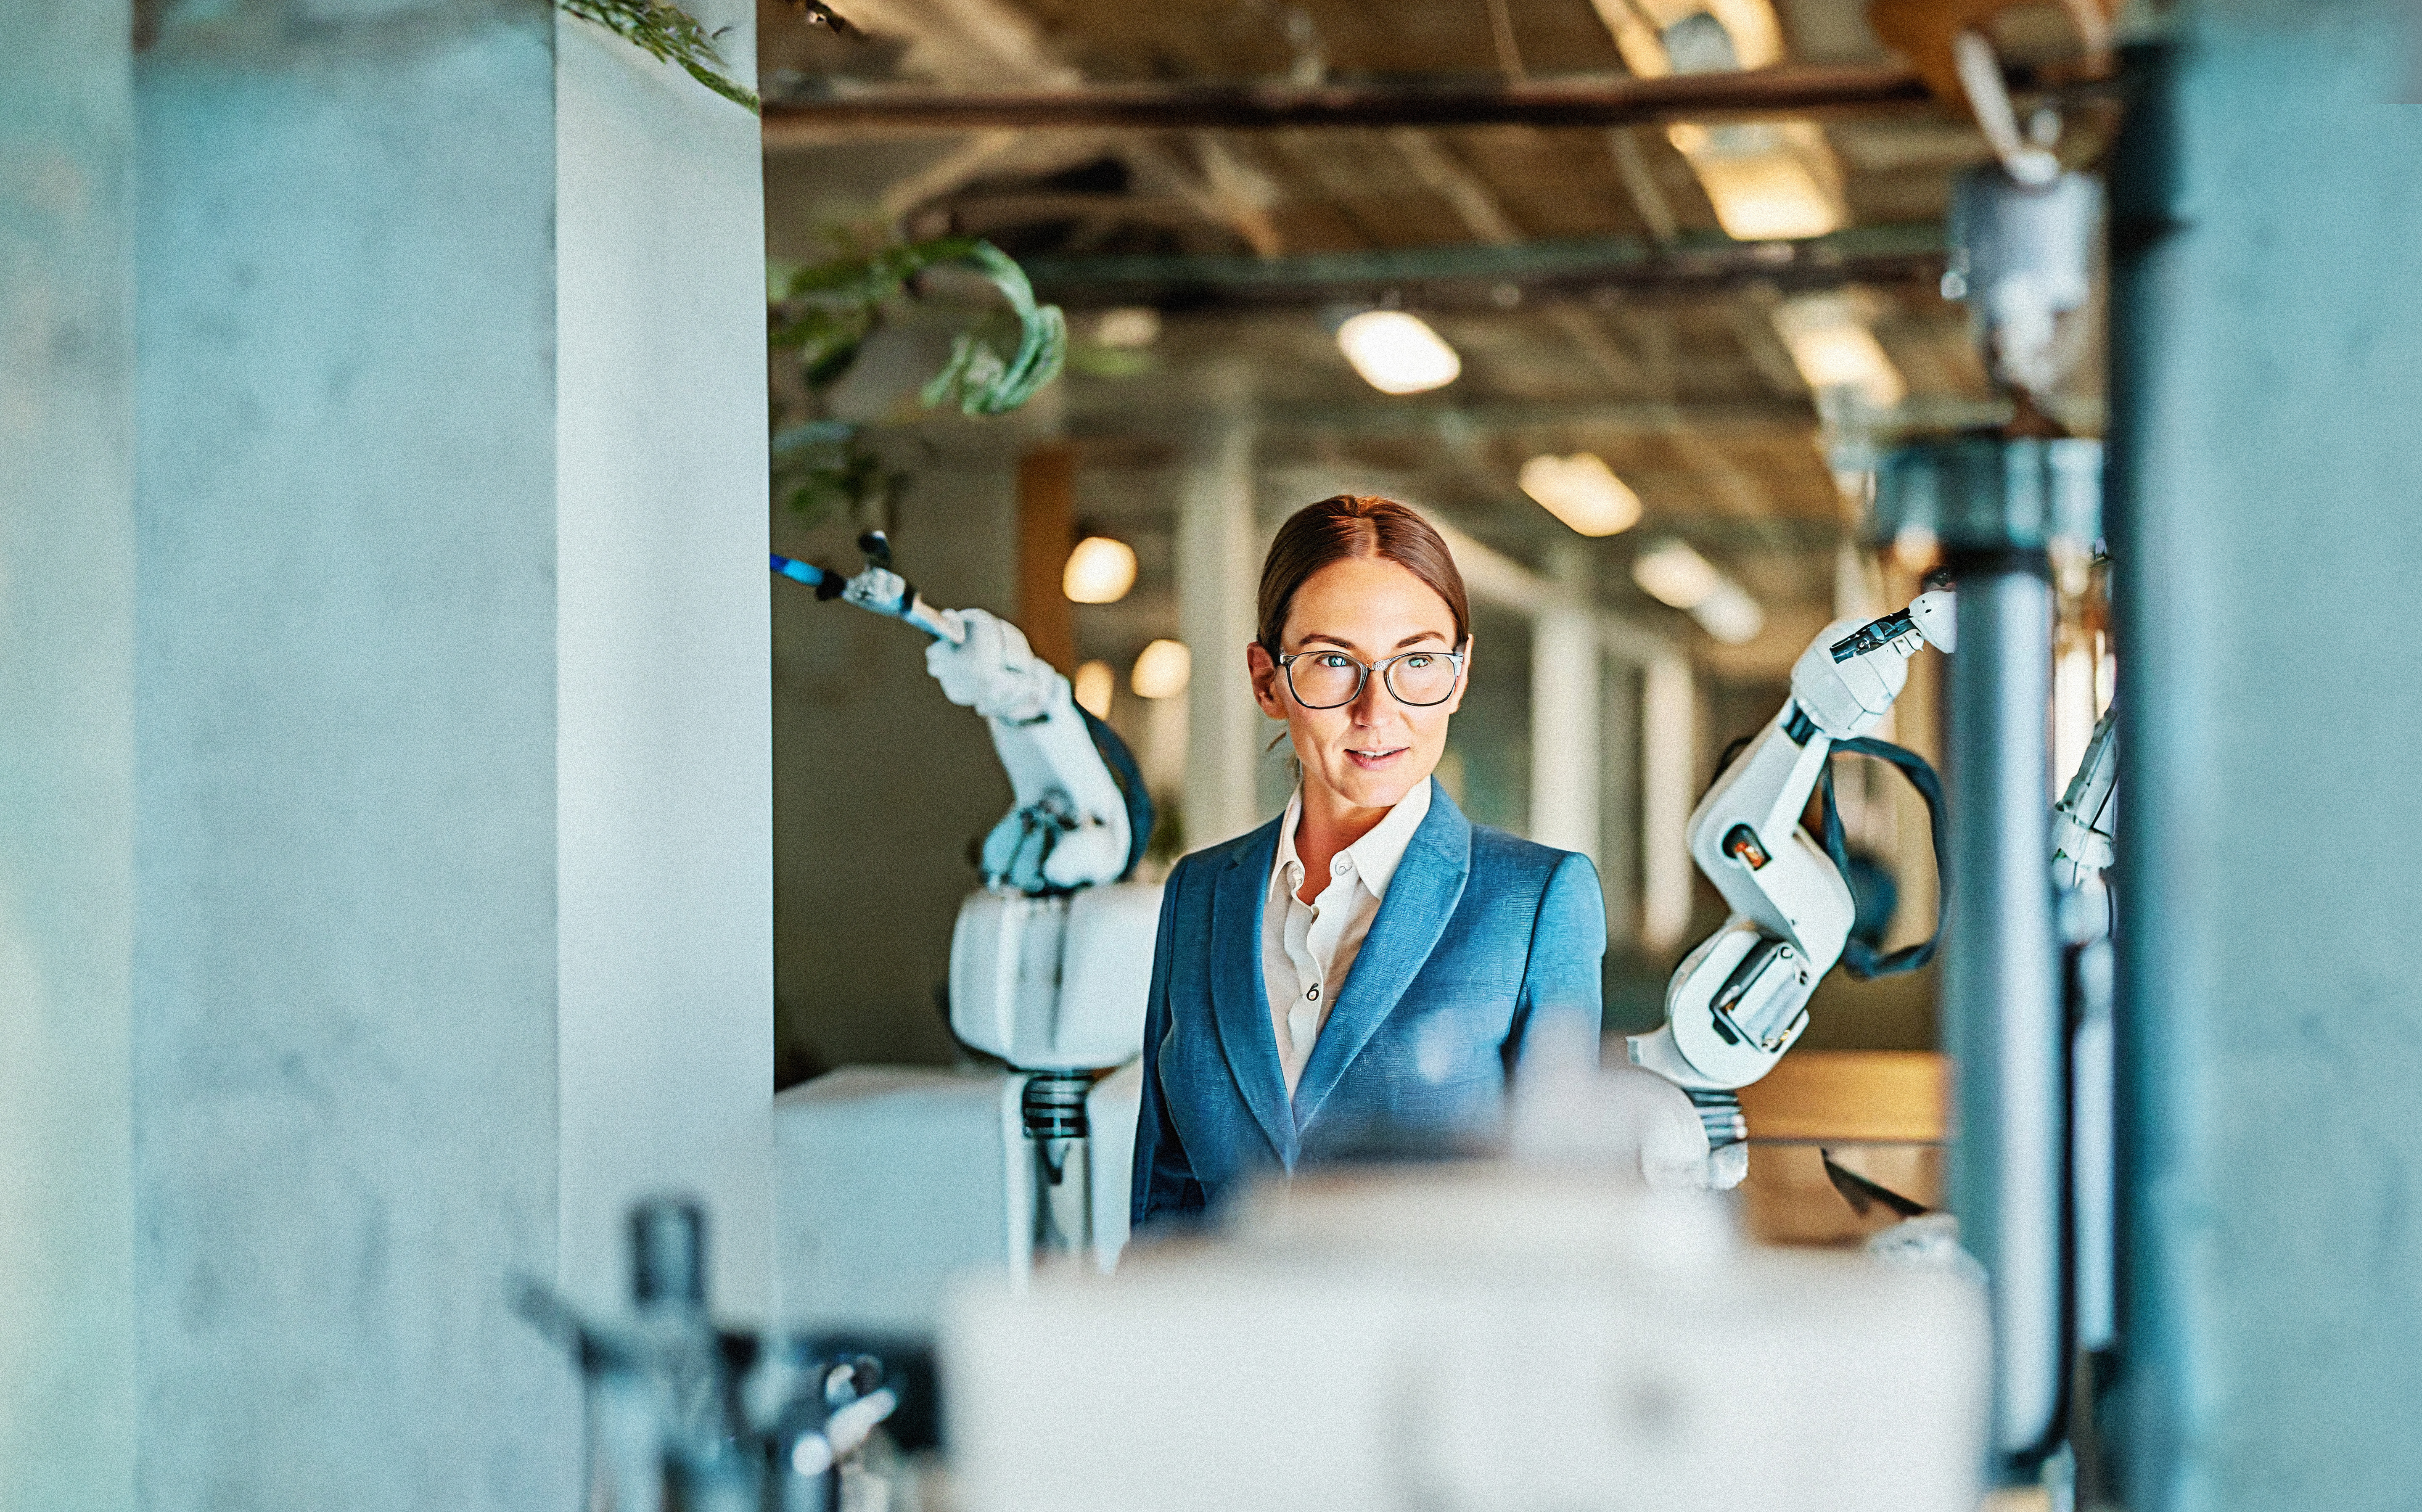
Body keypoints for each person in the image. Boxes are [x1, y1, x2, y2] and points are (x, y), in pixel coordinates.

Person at [1130, 494, 1608, 1230]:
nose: (1376, 711)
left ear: (1461, 672)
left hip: (1431, 1345)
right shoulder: (1200, 893)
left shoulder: (1538, 900)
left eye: (1416, 662)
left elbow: (1566, 1209)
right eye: (1331, 663)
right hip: (1220, 1339)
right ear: (1267, 681)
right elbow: (1165, 1197)